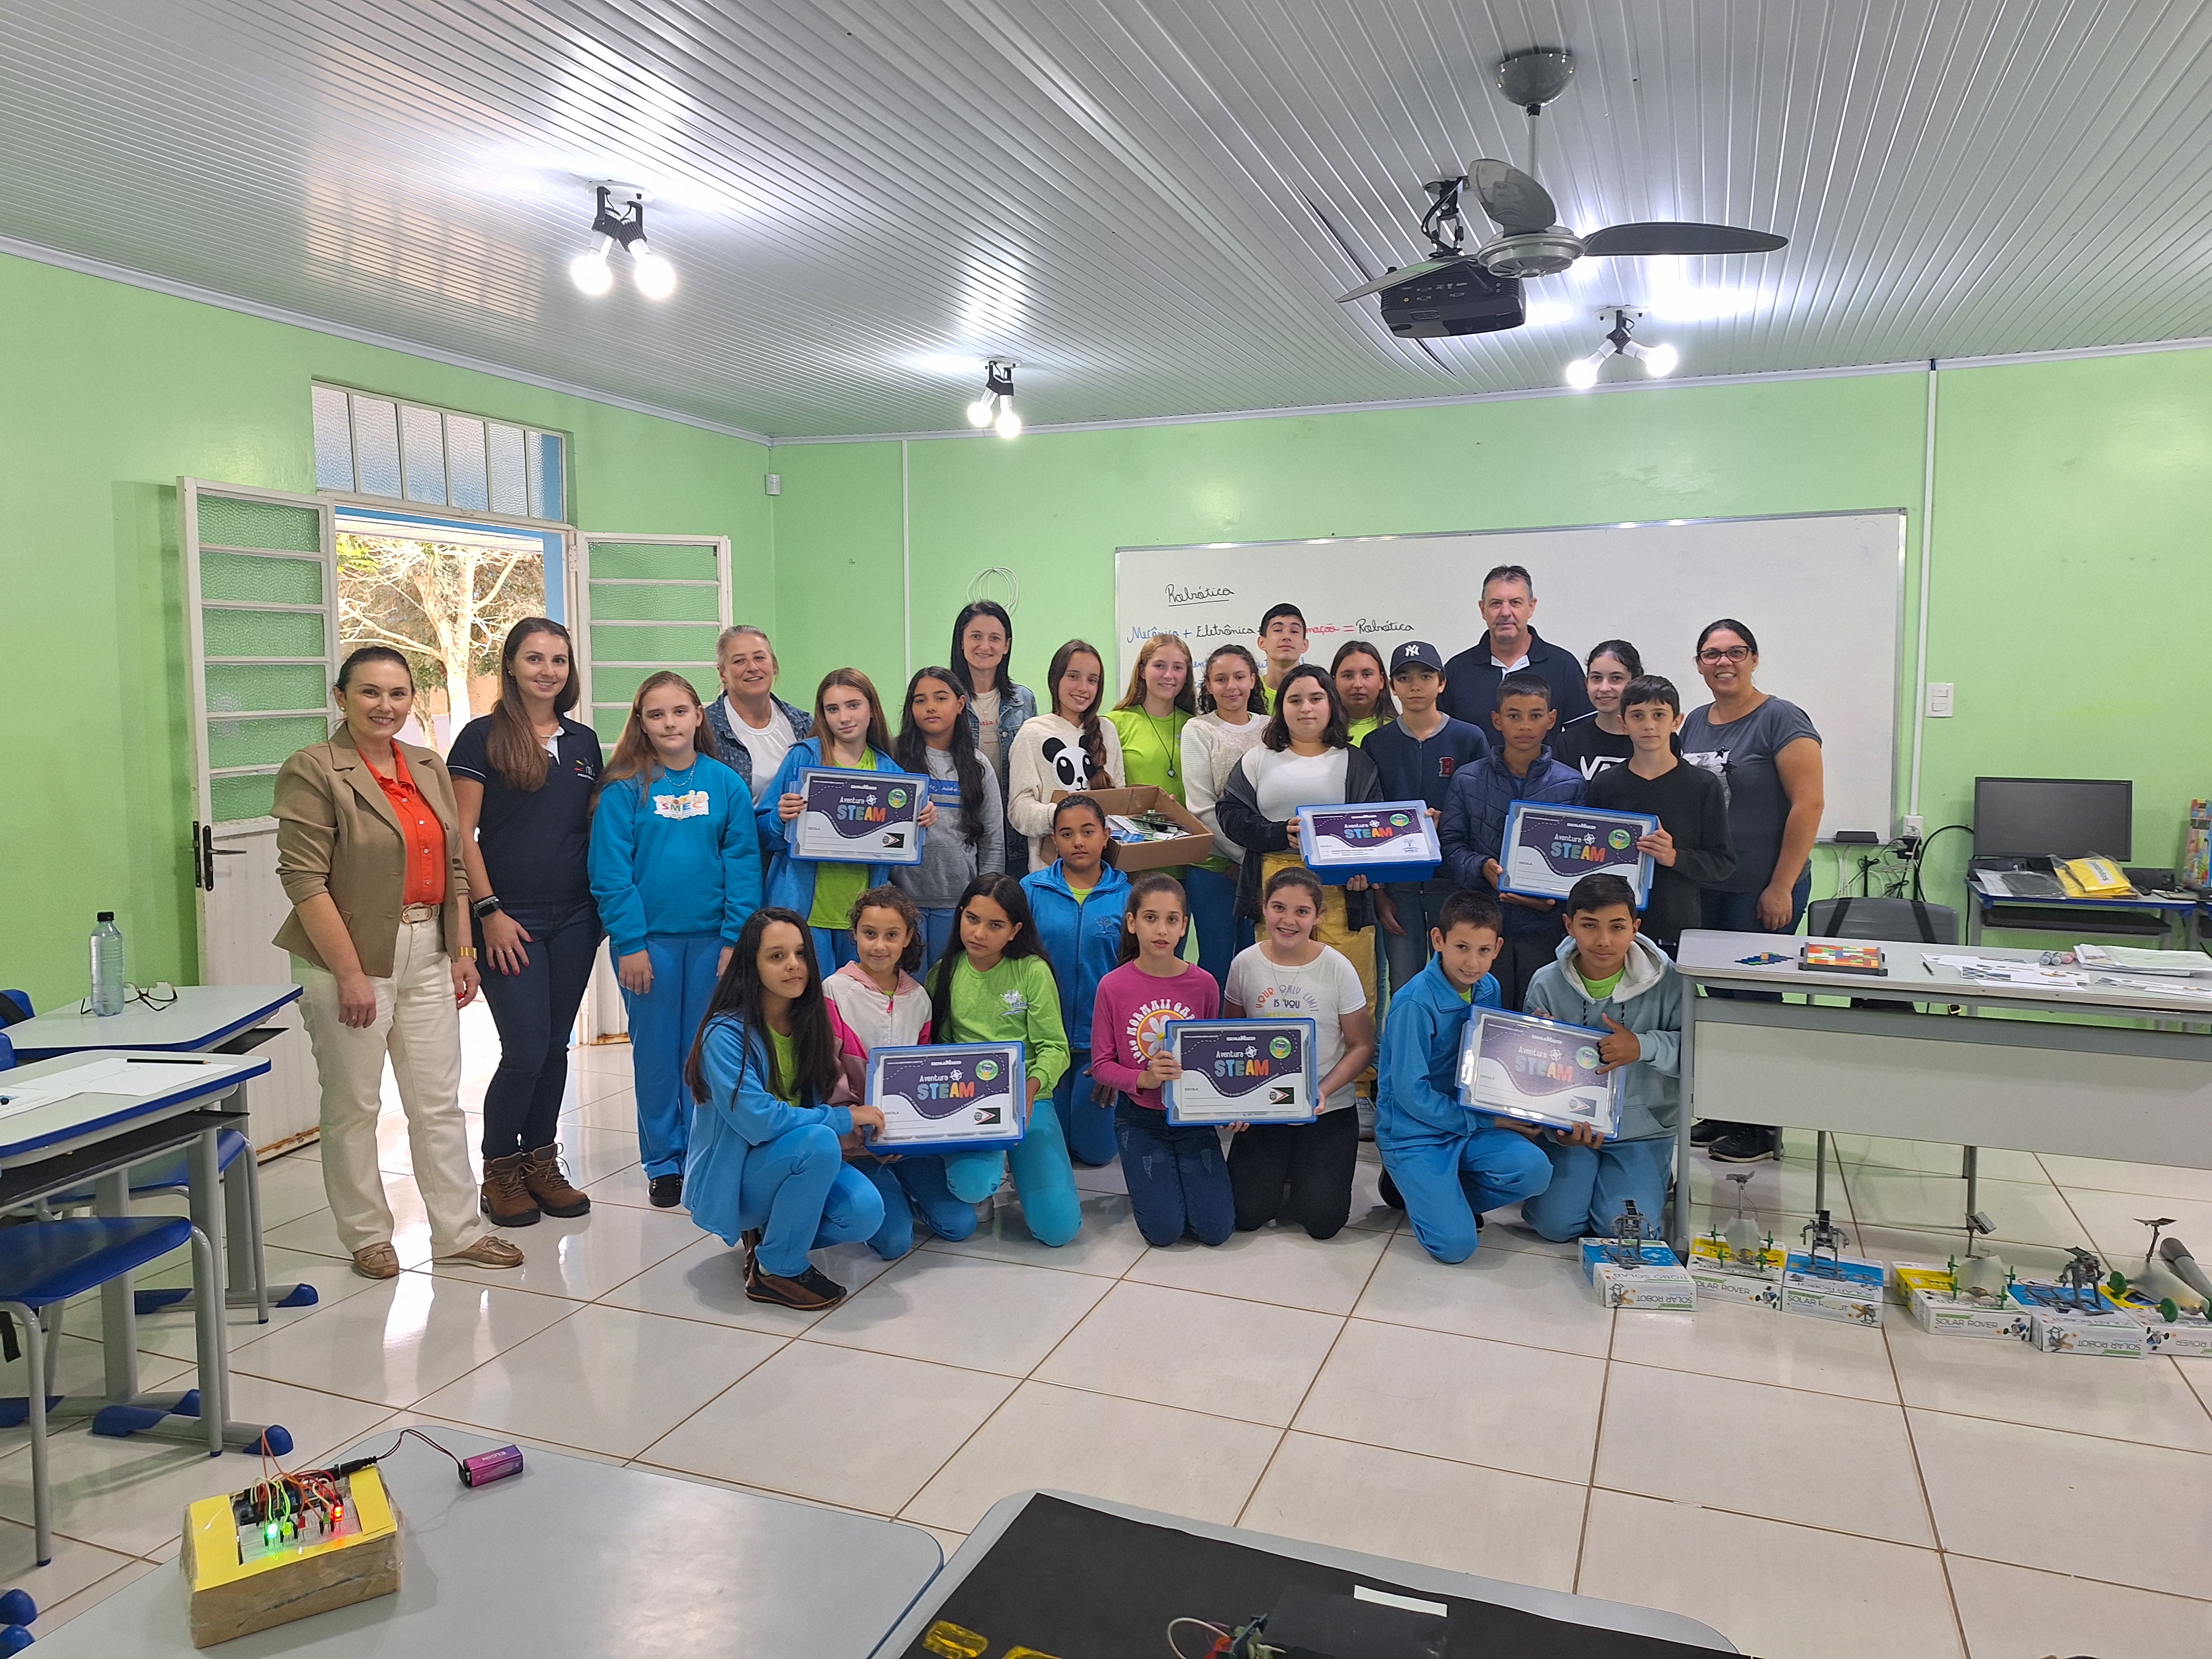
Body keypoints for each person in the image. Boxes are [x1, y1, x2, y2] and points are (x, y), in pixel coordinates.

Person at [274, 645, 522, 1277]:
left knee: (438, 1102)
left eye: (397, 694)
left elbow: (456, 866)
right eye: (369, 692)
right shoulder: (314, 769)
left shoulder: (426, 764)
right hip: (347, 956)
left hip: (429, 947)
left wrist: (462, 951)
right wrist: (350, 974)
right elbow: (304, 881)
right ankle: (367, 1235)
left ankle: (459, 1231)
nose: (385, 706)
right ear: (341, 698)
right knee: (355, 1105)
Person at [448, 617, 601, 1229]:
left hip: (577, 918)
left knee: (555, 1045)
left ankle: (541, 1160)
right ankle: (500, 1168)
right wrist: (488, 912)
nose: (547, 670)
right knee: (525, 1048)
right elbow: (462, 835)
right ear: (510, 665)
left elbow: (591, 827)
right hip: (510, 919)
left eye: (558, 660)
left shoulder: (584, 741)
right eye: (534, 658)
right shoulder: (481, 738)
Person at [589, 671, 762, 1210]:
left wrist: (735, 940)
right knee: (658, 1056)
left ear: (698, 716)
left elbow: (743, 864)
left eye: (680, 711)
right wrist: (630, 942)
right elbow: (610, 873)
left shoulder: (725, 784)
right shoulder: (625, 789)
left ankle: (703, 1153)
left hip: (715, 943)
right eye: (657, 714)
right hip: (649, 947)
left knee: (706, 1053)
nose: (669, 723)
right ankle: (664, 1161)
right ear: (642, 723)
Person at [683, 906, 888, 1310]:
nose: (793, 965)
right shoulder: (724, 1034)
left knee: (865, 1214)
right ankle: (777, 1269)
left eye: (800, 954)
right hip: (738, 1177)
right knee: (819, 1141)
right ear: (751, 966)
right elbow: (759, 1122)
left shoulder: (809, 1022)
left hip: (792, 1161)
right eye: (777, 956)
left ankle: (771, 1238)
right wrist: (845, 1117)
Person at [1678, 619, 1825, 1164]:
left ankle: (1762, 1125)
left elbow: (1809, 804)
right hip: (1708, 888)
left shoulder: (1781, 719)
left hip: (1763, 890)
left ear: (1754, 659)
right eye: (1712, 654)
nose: (1724, 662)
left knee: (1756, 1002)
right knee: (1719, 1003)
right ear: (1699, 664)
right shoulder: (1695, 723)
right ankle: (1727, 1109)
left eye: (1735, 652)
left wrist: (1781, 885)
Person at [1374, 889, 1552, 1265]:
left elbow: (1491, 1052)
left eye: (1484, 950)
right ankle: (1420, 1187)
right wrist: (1489, 1120)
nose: (1472, 962)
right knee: (1456, 1247)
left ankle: (1438, 1196)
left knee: (1535, 1171)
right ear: (1438, 940)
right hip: (1416, 1133)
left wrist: (1532, 1036)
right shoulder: (1413, 1004)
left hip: (1467, 1124)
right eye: (1462, 947)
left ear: (1498, 948)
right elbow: (1411, 1094)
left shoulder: (1489, 987)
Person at [1215, 665, 1388, 1026]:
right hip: (1274, 881)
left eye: (1316, 698)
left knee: (1352, 990)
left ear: (1331, 704)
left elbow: (1375, 828)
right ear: (1282, 709)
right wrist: (1278, 834)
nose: (1306, 708)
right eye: (1295, 700)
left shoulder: (1357, 762)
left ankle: (1356, 1065)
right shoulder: (1258, 759)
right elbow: (1230, 815)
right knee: (1279, 988)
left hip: (1342, 891)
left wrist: (1363, 871)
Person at [1519, 874, 1684, 1242]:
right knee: (1555, 1225)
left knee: (1628, 1231)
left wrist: (1641, 1046)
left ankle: (1646, 1178)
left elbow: (1693, 1054)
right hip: (1571, 1132)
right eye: (1590, 926)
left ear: (1636, 927)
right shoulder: (1546, 983)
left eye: (1617, 927)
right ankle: (1595, 1182)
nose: (1604, 940)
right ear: (1569, 925)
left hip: (1642, 1131)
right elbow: (1530, 1072)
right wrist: (1557, 1128)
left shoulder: (1671, 981)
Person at [822, 886, 982, 1258]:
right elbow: (827, 1079)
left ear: (908, 937)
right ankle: (873, 1199)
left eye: (891, 935)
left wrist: (912, 1136)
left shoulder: (919, 998)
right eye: (870, 934)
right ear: (855, 934)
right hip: (855, 1146)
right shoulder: (834, 992)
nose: (879, 946)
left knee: (961, 1225)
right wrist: (862, 1137)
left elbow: (926, 1076)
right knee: (895, 1244)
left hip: (908, 1144)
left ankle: (905, 1193)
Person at [926, 874, 1082, 1247]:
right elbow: (940, 1050)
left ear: (1015, 931)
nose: (979, 933)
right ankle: (988, 1175)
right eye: (972, 919)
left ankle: (1023, 1167)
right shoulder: (945, 972)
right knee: (971, 1185)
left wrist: (1031, 1087)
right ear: (960, 915)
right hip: (970, 1100)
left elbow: (1055, 1047)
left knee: (1058, 1230)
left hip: (1030, 1097)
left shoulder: (1032, 970)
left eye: (995, 925)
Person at [1225, 867, 1377, 1239]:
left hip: (1328, 1108)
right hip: (1265, 1106)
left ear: (1318, 916)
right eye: (1279, 908)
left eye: (1302, 911)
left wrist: (1322, 1091)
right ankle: (1283, 1170)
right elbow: (1231, 1038)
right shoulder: (1244, 964)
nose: (1288, 920)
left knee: (1323, 1221)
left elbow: (1362, 1046)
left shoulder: (1338, 968)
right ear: (1264, 907)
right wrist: (1235, 1102)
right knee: (1244, 1214)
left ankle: (1300, 1170)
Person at [761, 668, 935, 976]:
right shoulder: (803, 758)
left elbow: (898, 850)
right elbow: (762, 831)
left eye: (853, 705)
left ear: (872, 709)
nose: (844, 717)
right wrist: (779, 818)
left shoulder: (891, 773)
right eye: (833, 709)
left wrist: (919, 823)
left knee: (855, 997)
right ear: (823, 715)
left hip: (862, 920)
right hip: (804, 911)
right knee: (808, 998)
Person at [1089, 873, 1232, 1248]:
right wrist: (1144, 1079)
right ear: (1132, 923)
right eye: (1151, 918)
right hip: (1139, 1119)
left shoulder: (1204, 984)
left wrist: (1229, 1105)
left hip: (1192, 1118)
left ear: (1185, 926)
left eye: (1172, 920)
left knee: (1216, 1231)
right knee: (1164, 1232)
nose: (1162, 930)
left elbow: (1214, 1058)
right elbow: (1101, 1065)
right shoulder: (1112, 986)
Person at [1439, 671, 1586, 1011]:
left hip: (1545, 927)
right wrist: (1482, 867)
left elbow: (1580, 857)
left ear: (1551, 719)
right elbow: (1450, 845)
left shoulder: (1571, 784)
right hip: (1482, 926)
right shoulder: (1467, 779)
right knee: (1485, 1015)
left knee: (1540, 1014)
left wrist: (1552, 900)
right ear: (1497, 720)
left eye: (1535, 716)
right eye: (1514, 716)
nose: (1525, 726)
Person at [1361, 641, 1489, 1006]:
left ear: (1442, 683)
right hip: (1399, 889)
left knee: (1459, 985)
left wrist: (1447, 820)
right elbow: (1368, 819)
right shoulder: (1376, 743)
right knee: (1404, 986)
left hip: (1454, 885)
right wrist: (1380, 893)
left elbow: (1485, 811)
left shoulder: (1469, 738)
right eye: (1404, 678)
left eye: (1426, 676)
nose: (1415, 686)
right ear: (1392, 686)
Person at [1020, 795, 1133, 1167]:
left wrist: (1117, 1060)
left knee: (1096, 1152)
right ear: (1054, 840)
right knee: (1045, 1151)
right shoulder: (1031, 890)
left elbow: (1137, 983)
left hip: (1097, 1046)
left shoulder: (1128, 897)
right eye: (1067, 834)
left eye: (1088, 832)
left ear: (1106, 835)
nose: (1078, 842)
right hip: (1041, 1041)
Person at [1586, 676, 1736, 953]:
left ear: (1676, 721)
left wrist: (1674, 857)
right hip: (1614, 926)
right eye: (1637, 716)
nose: (1649, 725)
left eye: (1659, 715)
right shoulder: (1605, 785)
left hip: (1675, 924)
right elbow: (1592, 854)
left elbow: (1722, 863)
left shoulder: (1703, 786)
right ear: (1623, 723)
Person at [890, 666, 1005, 970]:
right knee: (906, 988)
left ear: (960, 703)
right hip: (901, 903)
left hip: (958, 903)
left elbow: (993, 841)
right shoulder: (892, 757)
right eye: (920, 700)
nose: (930, 707)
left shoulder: (979, 766)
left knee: (947, 986)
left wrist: (984, 902)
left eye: (941, 698)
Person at [1181, 644, 1268, 993]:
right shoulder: (1198, 730)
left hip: (1265, 870)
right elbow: (1201, 808)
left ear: (1253, 681)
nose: (1231, 686)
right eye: (1220, 679)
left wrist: (1259, 862)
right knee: (1217, 966)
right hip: (1215, 869)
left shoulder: (1272, 728)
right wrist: (1247, 858)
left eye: (1239, 677)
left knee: (1259, 967)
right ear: (1208, 686)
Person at [1006, 639, 1123, 870]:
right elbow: (1019, 811)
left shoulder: (1107, 730)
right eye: (1073, 676)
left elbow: (1119, 800)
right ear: (1055, 679)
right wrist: (1066, 816)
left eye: (1092, 680)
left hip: (1102, 870)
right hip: (1050, 872)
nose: (1083, 688)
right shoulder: (1033, 733)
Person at [1440, 565, 1592, 729]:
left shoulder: (1563, 666)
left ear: (1531, 607)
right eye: (1496, 604)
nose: (1506, 612)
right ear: (1483, 609)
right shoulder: (1456, 671)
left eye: (1515, 603)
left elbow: (1582, 735)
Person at [948, 601, 1037, 874]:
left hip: (1015, 835)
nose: (985, 646)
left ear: (1006, 645)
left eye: (995, 638)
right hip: (961, 831)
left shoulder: (1024, 701)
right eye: (976, 636)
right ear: (961, 642)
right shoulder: (944, 699)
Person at [702, 626, 814, 829]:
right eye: (739, 661)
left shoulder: (803, 725)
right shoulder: (704, 730)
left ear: (774, 666)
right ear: (722, 673)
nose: (752, 667)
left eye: (760, 658)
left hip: (794, 845)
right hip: (736, 845)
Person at [1106, 633, 1196, 807]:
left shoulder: (1194, 726)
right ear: (1142, 671)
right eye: (1160, 666)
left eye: (1178, 668)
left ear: (1187, 676)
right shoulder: (1114, 724)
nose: (1169, 675)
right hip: (1132, 825)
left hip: (1188, 824)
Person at [1549, 640, 1642, 782]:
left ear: (1635, 682)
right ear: (1587, 683)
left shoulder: (1656, 738)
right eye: (1596, 678)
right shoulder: (1569, 742)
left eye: (1616, 678)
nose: (1604, 688)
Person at [1330, 640, 1396, 744]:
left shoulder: (1399, 731)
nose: (1358, 684)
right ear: (1334, 682)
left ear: (1381, 681)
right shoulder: (1321, 732)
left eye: (1367, 675)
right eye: (1348, 676)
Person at [1255, 602, 1308, 712]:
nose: (1286, 637)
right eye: (1278, 630)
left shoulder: (1315, 693)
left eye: (1294, 631)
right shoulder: (1249, 692)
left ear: (1305, 645)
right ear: (1262, 642)